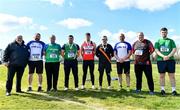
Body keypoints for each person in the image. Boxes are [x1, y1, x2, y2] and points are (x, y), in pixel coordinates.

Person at [155, 27, 177, 96]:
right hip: (161, 61)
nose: (164, 33)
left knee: (172, 76)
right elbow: (156, 50)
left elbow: (174, 49)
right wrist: (163, 56)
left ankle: (173, 91)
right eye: (162, 32)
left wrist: (168, 56)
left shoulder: (171, 41)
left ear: (167, 33)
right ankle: (162, 90)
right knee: (162, 75)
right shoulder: (157, 41)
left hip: (170, 60)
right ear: (160, 33)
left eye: (165, 32)